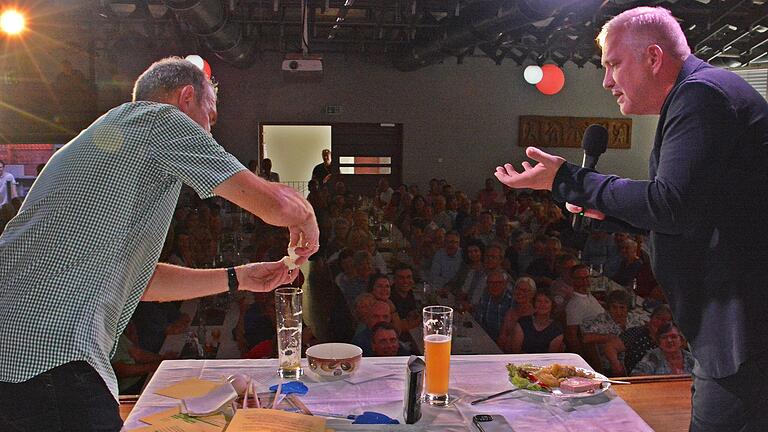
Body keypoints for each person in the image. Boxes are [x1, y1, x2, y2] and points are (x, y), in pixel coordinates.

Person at [0, 57, 319, 431]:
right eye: (210, 118)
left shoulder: (110, 142)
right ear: (186, 98)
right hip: (50, 357)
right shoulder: (158, 121)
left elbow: (141, 282)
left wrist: (239, 277)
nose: (210, 135)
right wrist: (307, 218)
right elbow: (275, 205)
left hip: (19, 362)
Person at [494, 7, 768, 431]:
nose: (606, 81)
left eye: (613, 65)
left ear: (654, 58)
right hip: (732, 328)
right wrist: (613, 213)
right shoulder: (699, 93)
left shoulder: (702, 95)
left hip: (742, 331)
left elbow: (672, 205)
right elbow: (692, 215)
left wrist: (569, 178)